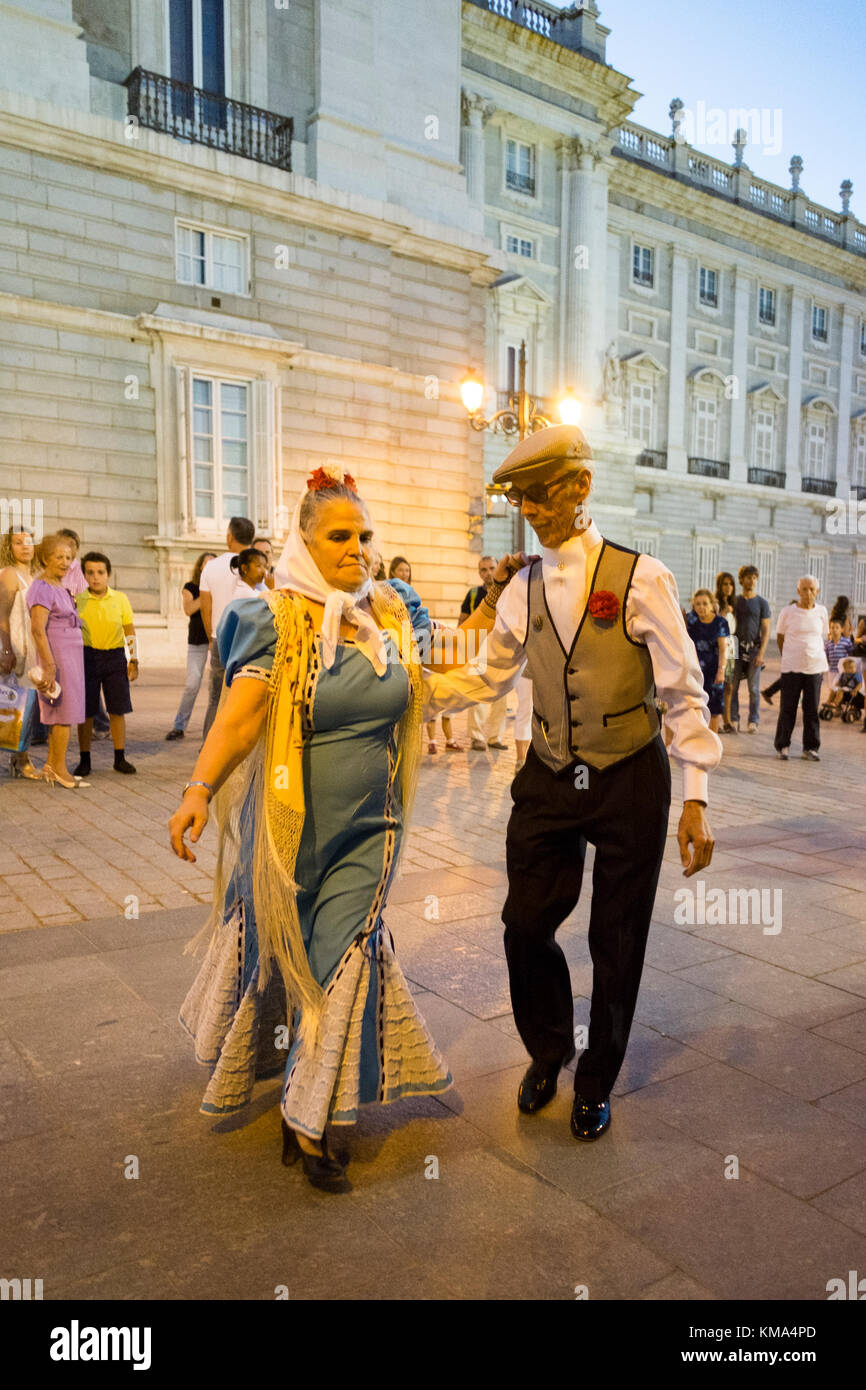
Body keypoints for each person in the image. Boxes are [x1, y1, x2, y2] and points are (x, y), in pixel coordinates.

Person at [168, 466, 523, 1192]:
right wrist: (198, 789)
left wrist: (510, 645)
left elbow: (431, 685)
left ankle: (312, 1120)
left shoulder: (393, 613)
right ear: (303, 540)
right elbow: (240, 716)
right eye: (340, 535)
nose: (357, 548)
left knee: (343, 959)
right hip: (287, 833)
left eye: (365, 535)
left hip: (374, 830)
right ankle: (297, 1083)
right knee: (286, 961)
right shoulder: (275, 617)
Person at [424, 424, 720, 1142]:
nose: (529, 509)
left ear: (580, 486)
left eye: (540, 493)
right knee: (524, 922)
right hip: (551, 773)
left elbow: (684, 692)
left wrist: (697, 798)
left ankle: (595, 1081)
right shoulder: (522, 586)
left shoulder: (640, 576)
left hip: (629, 775)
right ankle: (548, 1049)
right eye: (521, 498)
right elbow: (491, 673)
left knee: (617, 937)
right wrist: (413, 690)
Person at [26, 534, 88, 789]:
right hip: (58, 655)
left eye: (69, 558)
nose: (65, 562)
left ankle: (52, 766)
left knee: (64, 709)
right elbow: (38, 630)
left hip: (71, 654)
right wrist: (49, 665)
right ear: (44, 558)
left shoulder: (61, 586)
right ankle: (60, 769)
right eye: (59, 557)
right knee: (62, 712)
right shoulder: (42, 587)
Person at [73, 552, 138, 778]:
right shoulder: (77, 600)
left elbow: (129, 630)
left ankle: (119, 757)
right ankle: (85, 759)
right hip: (87, 657)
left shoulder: (120, 599)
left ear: (108, 574)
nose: (95, 577)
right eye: (90, 572)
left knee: (117, 709)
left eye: (100, 572)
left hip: (114, 658)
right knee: (87, 711)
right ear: (84, 575)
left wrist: (134, 659)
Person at [389, 556, 461, 752]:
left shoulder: (408, 595)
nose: (405, 573)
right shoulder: (391, 591)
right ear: (393, 571)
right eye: (401, 570)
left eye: (407, 570)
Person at [199, 517, 256, 741]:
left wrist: (211, 636)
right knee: (243, 698)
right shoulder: (257, 565)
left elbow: (206, 607)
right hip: (249, 640)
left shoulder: (211, 567)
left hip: (220, 638)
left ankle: (208, 747)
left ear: (229, 537)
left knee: (215, 699)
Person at [58, 526, 111, 738]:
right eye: (63, 544)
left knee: (83, 679)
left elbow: (85, 598)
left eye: (72, 545)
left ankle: (100, 723)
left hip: (77, 631)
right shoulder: (53, 568)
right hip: (56, 630)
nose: (67, 550)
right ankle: (40, 729)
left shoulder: (81, 571)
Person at [773, 575, 829, 761]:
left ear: (817, 592)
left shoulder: (822, 612)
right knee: (788, 707)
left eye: (812, 589)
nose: (808, 593)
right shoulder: (788, 612)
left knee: (811, 708)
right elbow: (780, 637)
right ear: (798, 591)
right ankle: (783, 745)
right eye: (804, 589)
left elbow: (823, 636)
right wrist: (789, 655)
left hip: (814, 667)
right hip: (791, 667)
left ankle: (810, 748)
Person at [0, 527, 40, 779]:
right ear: (8, 547)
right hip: (14, 645)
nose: (25, 546)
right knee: (10, 703)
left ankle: (20, 758)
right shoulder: (9, 575)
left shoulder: (36, 575)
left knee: (26, 705)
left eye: (29, 542)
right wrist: (5, 649)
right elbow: (1, 615)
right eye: (18, 542)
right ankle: (21, 761)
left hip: (32, 648)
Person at [166, 552, 216, 741]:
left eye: (214, 564)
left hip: (216, 641)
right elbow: (188, 609)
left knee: (216, 688)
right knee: (192, 684)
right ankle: (179, 726)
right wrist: (207, 592)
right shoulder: (190, 587)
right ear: (200, 567)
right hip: (197, 641)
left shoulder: (220, 587)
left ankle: (214, 728)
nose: (210, 567)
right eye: (207, 564)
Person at [460, 556, 509, 751]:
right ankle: (476, 736)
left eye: (491, 568)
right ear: (479, 573)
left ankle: (495, 737)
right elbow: (462, 621)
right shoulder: (473, 594)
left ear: (498, 569)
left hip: (500, 649)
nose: (488, 573)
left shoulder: (507, 592)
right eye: (483, 570)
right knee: (477, 694)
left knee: (501, 695)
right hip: (477, 649)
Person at [727, 565, 770, 733]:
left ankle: (753, 720)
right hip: (735, 650)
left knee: (753, 688)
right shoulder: (735, 601)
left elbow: (766, 630)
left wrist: (762, 653)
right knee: (733, 686)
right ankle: (734, 718)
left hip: (754, 650)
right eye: (748, 577)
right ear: (742, 579)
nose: (751, 581)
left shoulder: (762, 603)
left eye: (754, 578)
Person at [686, 589, 729, 734]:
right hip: (695, 672)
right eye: (697, 604)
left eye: (705, 603)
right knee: (695, 708)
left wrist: (721, 671)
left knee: (714, 710)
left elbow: (724, 649)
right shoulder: (691, 620)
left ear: (712, 605)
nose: (701, 607)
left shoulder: (720, 623)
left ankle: (713, 745)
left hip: (714, 671)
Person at [715, 571, 738, 731]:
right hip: (719, 646)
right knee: (718, 685)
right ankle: (715, 721)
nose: (728, 587)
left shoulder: (734, 604)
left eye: (730, 584)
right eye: (725, 584)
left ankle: (727, 720)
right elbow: (713, 623)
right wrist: (723, 613)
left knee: (730, 686)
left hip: (732, 646)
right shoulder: (715, 603)